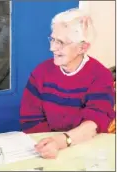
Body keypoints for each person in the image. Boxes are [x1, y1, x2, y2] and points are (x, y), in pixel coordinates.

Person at [19, 8, 115, 159]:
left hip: (86, 147)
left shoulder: (101, 76)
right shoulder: (41, 72)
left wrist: (62, 142)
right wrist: (47, 145)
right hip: (46, 149)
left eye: (61, 43)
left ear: (82, 47)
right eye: (52, 39)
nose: (52, 48)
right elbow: (30, 121)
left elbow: (94, 123)